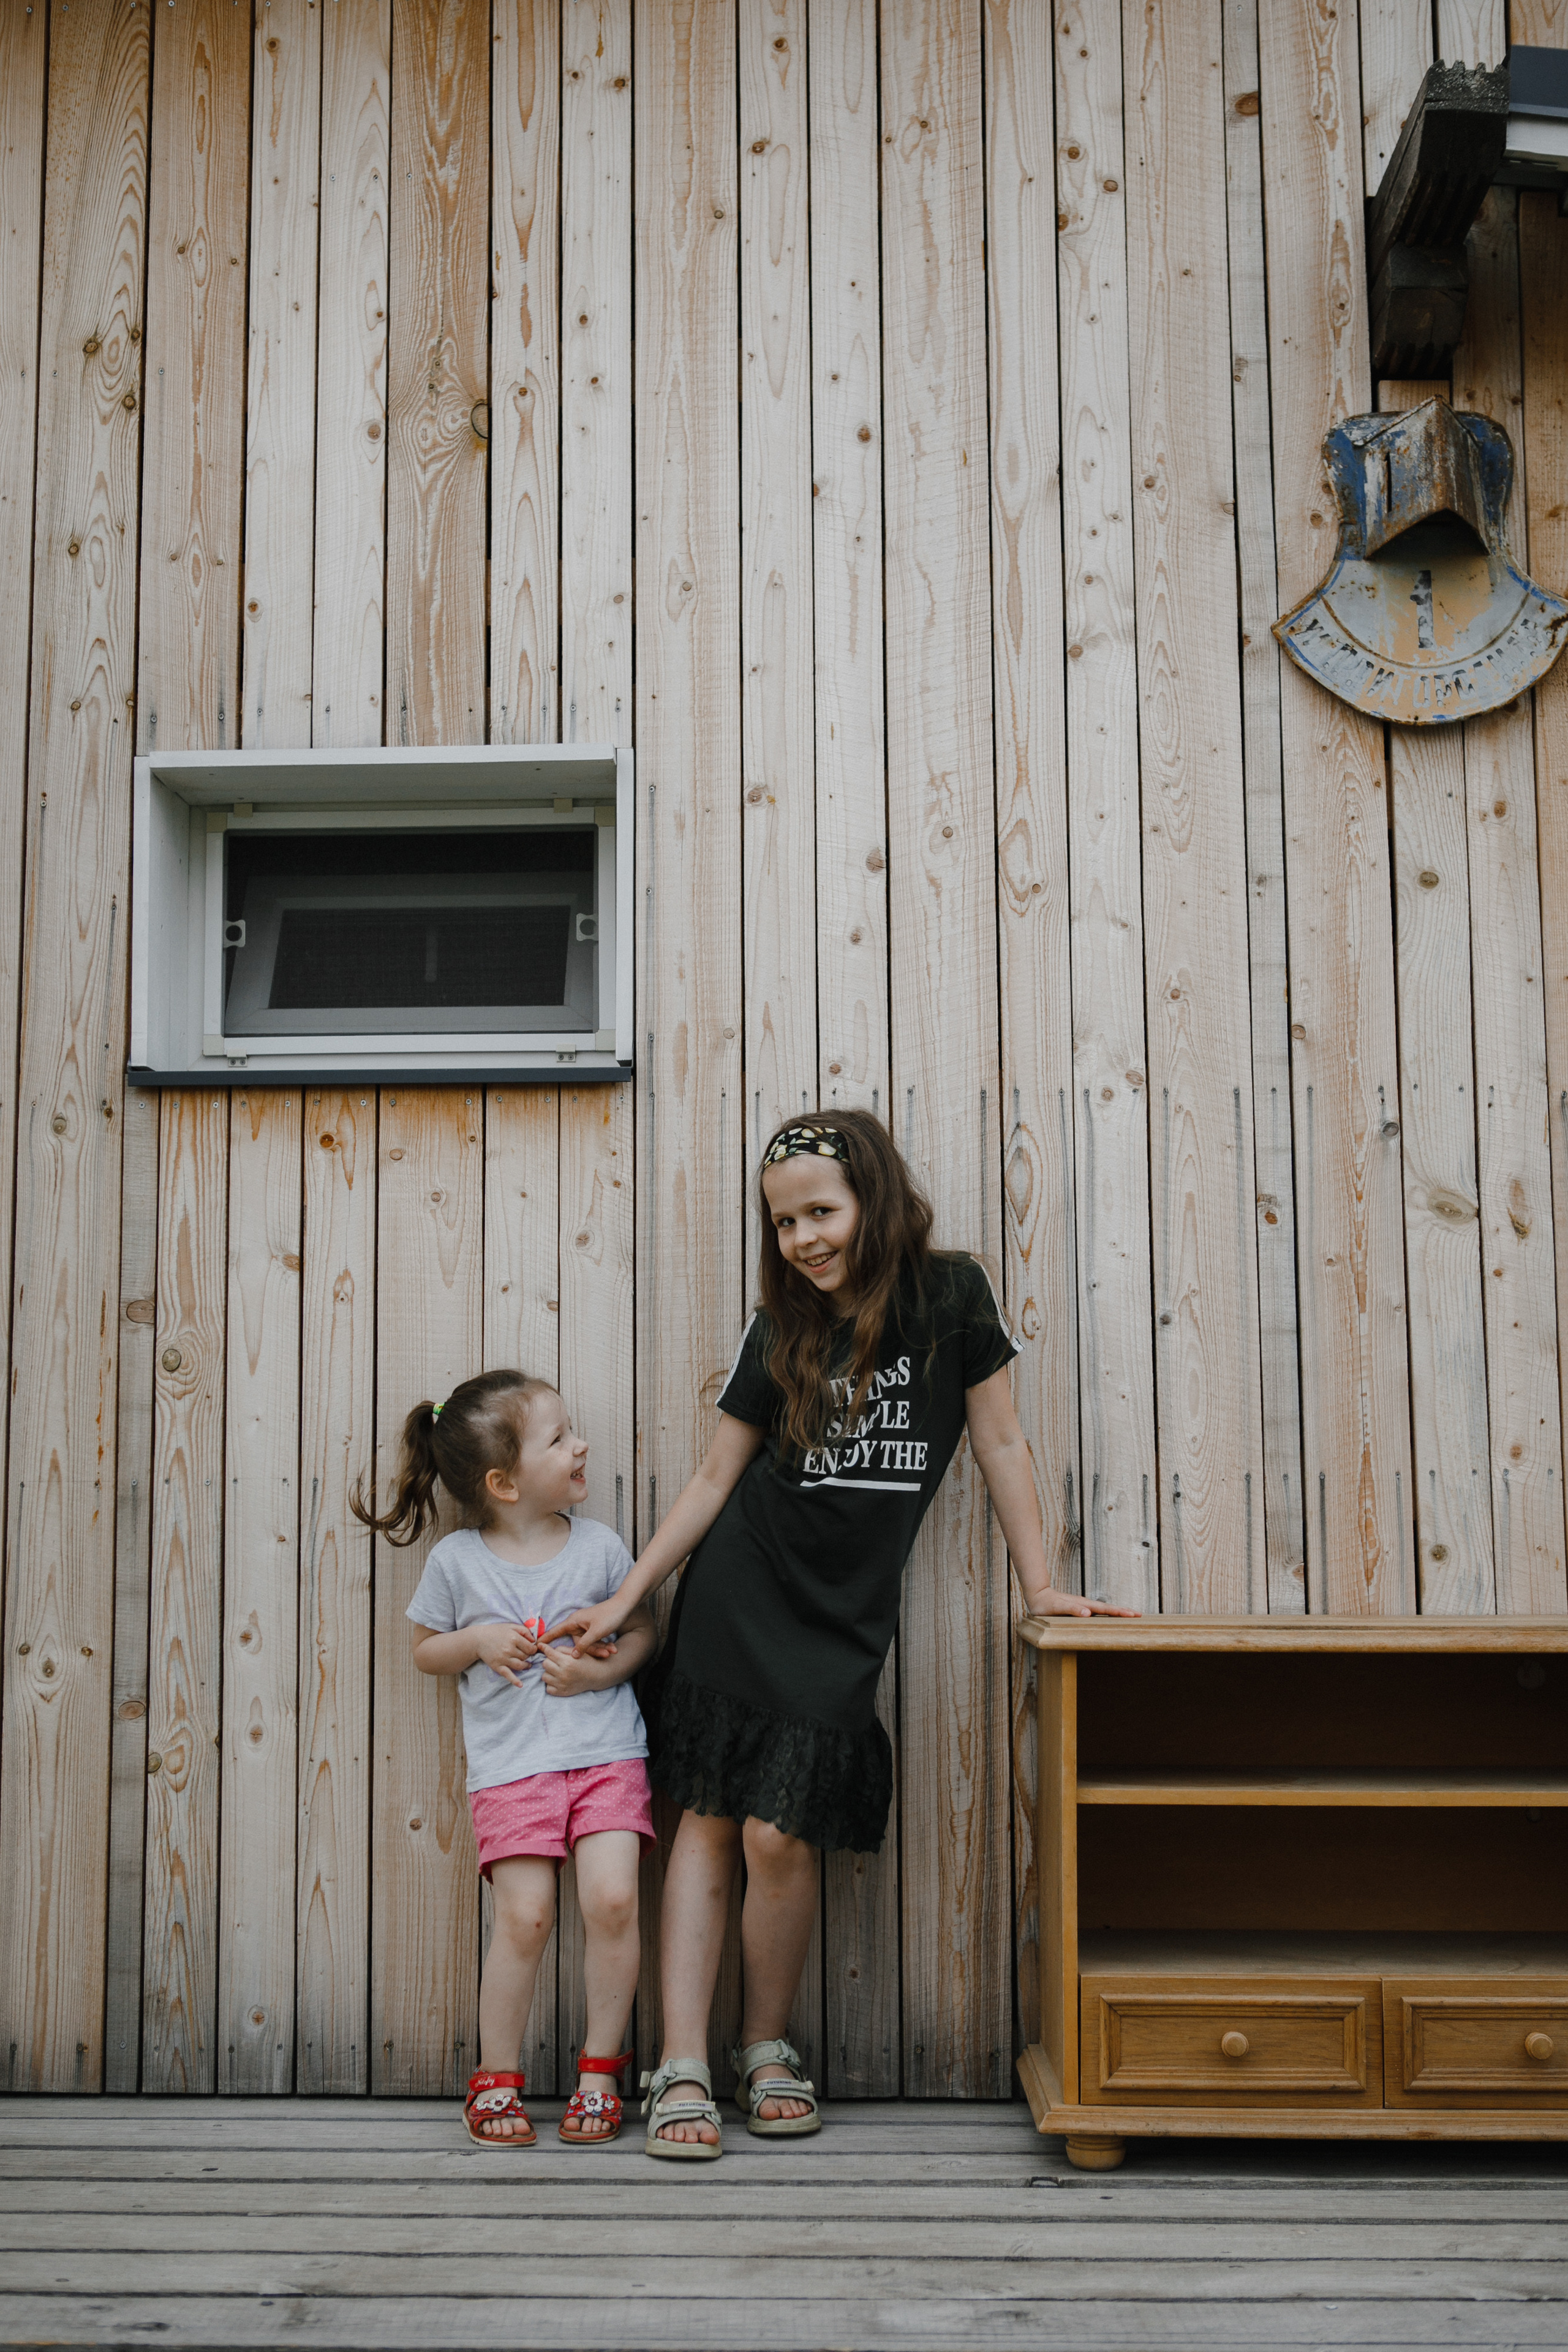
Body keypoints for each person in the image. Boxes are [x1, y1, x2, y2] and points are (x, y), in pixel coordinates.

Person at [547, 1110, 1137, 2162]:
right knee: (711, 1820)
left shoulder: (951, 1297)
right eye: (784, 1224)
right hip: (743, 1588)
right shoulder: (778, 1326)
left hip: (843, 1614)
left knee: (782, 1833)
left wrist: (1042, 1584)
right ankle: (682, 2061)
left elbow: (1001, 1443)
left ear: (875, 1197)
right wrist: (631, 1596)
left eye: (821, 1212)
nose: (804, 1240)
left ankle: (763, 2045)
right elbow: (715, 1477)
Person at [353, 1370, 655, 2150]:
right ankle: (496, 2077)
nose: (580, 1446)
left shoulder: (600, 1547)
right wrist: (477, 1641)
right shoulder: (457, 1563)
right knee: (525, 1917)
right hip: (513, 1770)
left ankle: (600, 2074)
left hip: (606, 1756)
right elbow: (426, 1651)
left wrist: (597, 1675)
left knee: (613, 1901)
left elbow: (643, 1633)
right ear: (504, 1484)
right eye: (559, 1439)